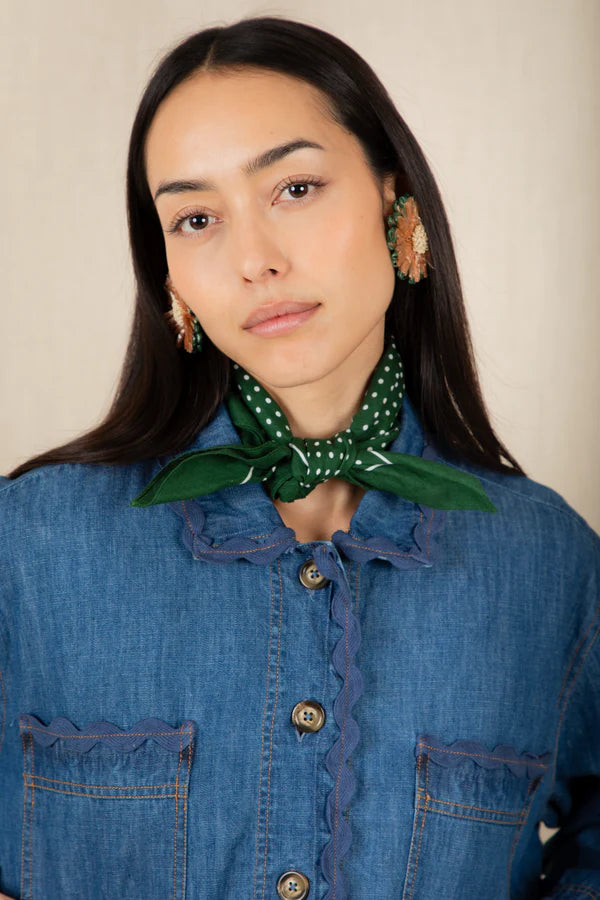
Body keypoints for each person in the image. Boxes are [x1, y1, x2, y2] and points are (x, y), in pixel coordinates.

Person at [0, 15, 598, 900]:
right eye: (197, 217)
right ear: (171, 278)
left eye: (295, 189)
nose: (253, 260)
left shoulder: (549, 564)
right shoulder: (26, 547)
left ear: (398, 201)